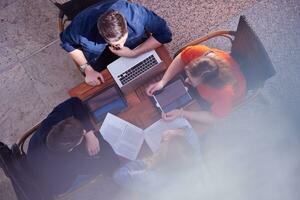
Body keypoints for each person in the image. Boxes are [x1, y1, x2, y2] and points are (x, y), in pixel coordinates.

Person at [60, 0, 172, 86]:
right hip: (102, 63)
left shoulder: (136, 14)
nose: (119, 47)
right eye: (113, 43)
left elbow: (165, 34)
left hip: (138, 52)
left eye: (121, 41)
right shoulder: (81, 26)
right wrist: (87, 69)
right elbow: (66, 43)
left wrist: (135, 53)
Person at [27, 97, 120, 197]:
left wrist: (89, 133)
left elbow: (74, 101)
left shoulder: (48, 124)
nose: (84, 132)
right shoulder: (72, 162)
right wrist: (98, 139)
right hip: (55, 186)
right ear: (71, 148)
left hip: (33, 160)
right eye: (82, 134)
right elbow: (106, 164)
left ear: (59, 124)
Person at [146, 45, 246, 124]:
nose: (186, 81)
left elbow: (215, 117)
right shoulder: (199, 52)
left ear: (207, 84)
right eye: (188, 75)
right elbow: (181, 58)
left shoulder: (225, 93)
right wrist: (163, 81)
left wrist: (182, 113)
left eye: (191, 80)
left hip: (221, 102)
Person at [113, 128, 198, 198]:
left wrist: (145, 161)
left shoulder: (150, 177)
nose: (164, 140)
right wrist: (175, 132)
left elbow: (120, 176)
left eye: (165, 141)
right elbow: (191, 132)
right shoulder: (191, 160)